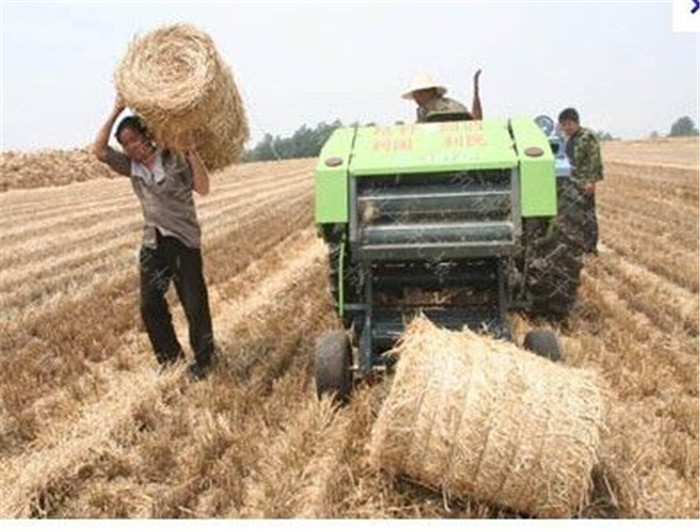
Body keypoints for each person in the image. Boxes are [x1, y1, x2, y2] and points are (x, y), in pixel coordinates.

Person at [93, 95, 215, 380]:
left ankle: (206, 360)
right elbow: (98, 150)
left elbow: (204, 187)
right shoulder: (131, 167)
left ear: (147, 136)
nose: (131, 147)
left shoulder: (174, 159)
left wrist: (193, 153)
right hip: (154, 245)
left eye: (134, 139)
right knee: (150, 305)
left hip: (183, 243)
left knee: (194, 304)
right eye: (125, 144)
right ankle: (170, 358)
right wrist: (116, 110)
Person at [558, 107, 604, 255]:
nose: (566, 128)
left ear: (576, 122)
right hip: (570, 182)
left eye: (568, 124)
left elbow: (594, 160)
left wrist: (591, 181)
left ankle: (591, 248)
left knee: (588, 216)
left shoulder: (587, 137)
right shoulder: (565, 139)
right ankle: (577, 246)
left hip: (583, 182)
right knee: (573, 215)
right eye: (563, 125)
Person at [403, 70, 483, 122]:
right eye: (415, 95)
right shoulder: (423, 111)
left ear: (431, 92)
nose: (416, 99)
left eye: (419, 94)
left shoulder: (452, 107)